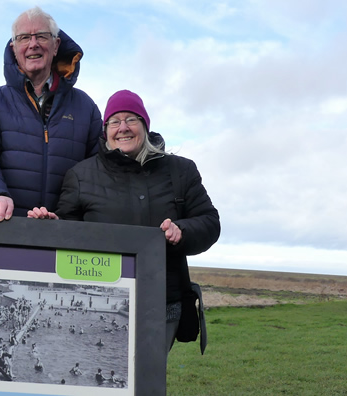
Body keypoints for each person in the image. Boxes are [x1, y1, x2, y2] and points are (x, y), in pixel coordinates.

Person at [27, 89, 220, 356]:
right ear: (105, 130)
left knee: (147, 383)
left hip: (162, 304)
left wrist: (181, 231)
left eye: (131, 119)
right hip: (104, 295)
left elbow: (209, 222)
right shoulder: (81, 175)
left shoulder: (181, 170)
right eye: (115, 122)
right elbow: (70, 233)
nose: (123, 128)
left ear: (145, 126)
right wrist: (53, 224)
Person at [0, 6, 102, 221]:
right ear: (14, 48)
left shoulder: (85, 107)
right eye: (24, 37)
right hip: (0, 227)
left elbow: (96, 171)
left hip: (62, 231)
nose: (33, 44)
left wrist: (67, 215)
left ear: (56, 46)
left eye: (42, 37)